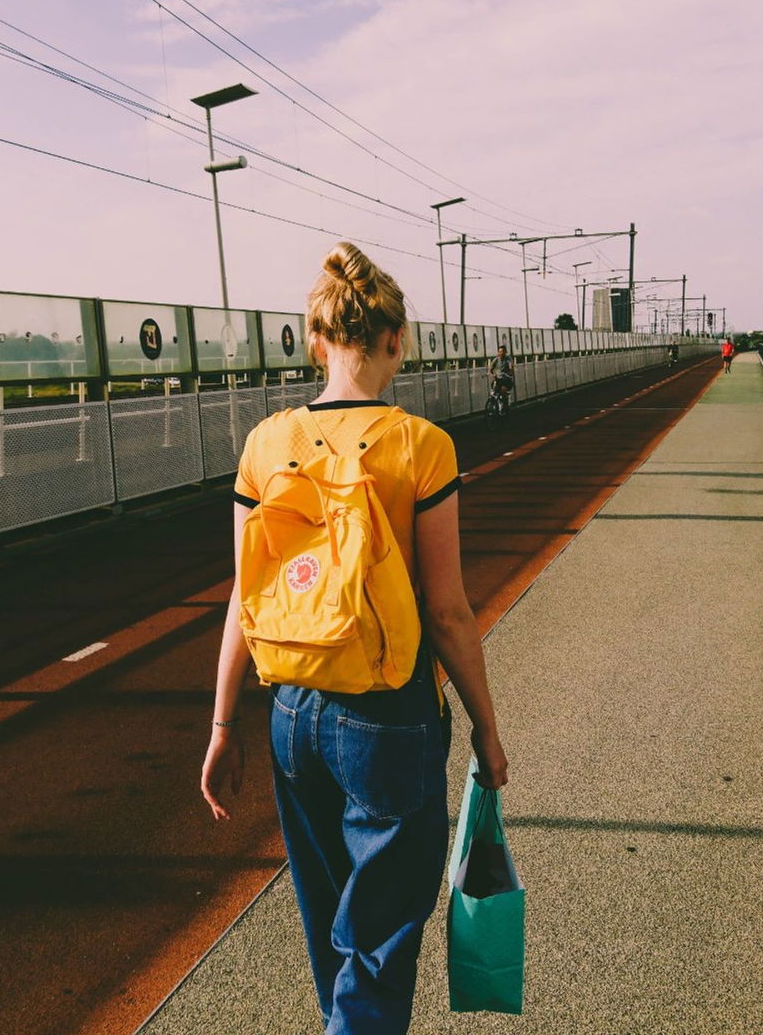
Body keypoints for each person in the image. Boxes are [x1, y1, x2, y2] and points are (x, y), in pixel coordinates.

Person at [200, 242, 509, 1035]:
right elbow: (445, 612)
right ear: (397, 340)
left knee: (333, 925)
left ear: (315, 340)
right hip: (386, 713)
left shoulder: (266, 444)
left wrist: (223, 725)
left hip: (291, 712)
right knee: (379, 937)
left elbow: (245, 594)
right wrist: (488, 728)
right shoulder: (420, 445)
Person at [487, 343, 516, 411]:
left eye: (503, 352)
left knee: (503, 391)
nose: (501, 353)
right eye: (500, 352)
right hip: (498, 379)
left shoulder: (508, 359)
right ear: (498, 352)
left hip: (506, 380)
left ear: (505, 352)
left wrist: (509, 373)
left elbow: (511, 368)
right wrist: (492, 374)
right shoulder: (496, 360)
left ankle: (505, 406)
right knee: (494, 390)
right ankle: (494, 403)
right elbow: (490, 369)